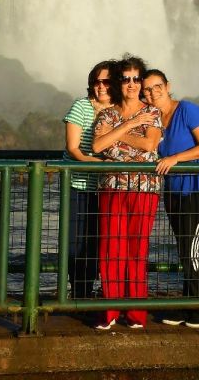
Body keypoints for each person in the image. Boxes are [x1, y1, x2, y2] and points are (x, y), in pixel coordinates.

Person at [143, 69, 199, 329]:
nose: (152, 92)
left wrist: (175, 158)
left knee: (192, 248)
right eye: (147, 89)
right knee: (184, 247)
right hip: (174, 190)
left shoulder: (188, 109)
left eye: (157, 86)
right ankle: (190, 305)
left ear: (168, 86)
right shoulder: (153, 118)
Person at [91, 55, 162, 330]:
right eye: (126, 78)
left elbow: (148, 146)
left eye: (136, 79)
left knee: (137, 249)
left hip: (144, 189)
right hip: (112, 187)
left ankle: (135, 314)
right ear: (119, 83)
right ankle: (108, 312)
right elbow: (97, 147)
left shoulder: (152, 112)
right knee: (110, 248)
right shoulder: (107, 113)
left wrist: (116, 135)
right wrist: (130, 125)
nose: (131, 84)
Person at [61, 59, 117, 300]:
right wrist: (101, 165)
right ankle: (79, 294)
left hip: (106, 188)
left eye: (106, 81)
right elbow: (74, 150)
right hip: (78, 185)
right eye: (96, 82)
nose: (101, 86)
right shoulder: (81, 107)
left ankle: (94, 293)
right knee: (76, 243)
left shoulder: (120, 110)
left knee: (99, 244)